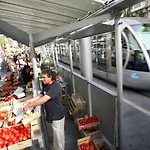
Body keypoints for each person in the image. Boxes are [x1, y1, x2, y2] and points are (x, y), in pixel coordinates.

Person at [23, 69, 65, 150]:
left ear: (50, 77)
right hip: (52, 115)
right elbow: (40, 96)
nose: (42, 79)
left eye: (44, 77)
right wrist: (29, 101)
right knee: (56, 137)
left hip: (57, 115)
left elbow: (44, 99)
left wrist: (29, 105)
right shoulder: (47, 86)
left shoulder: (55, 87)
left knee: (58, 138)